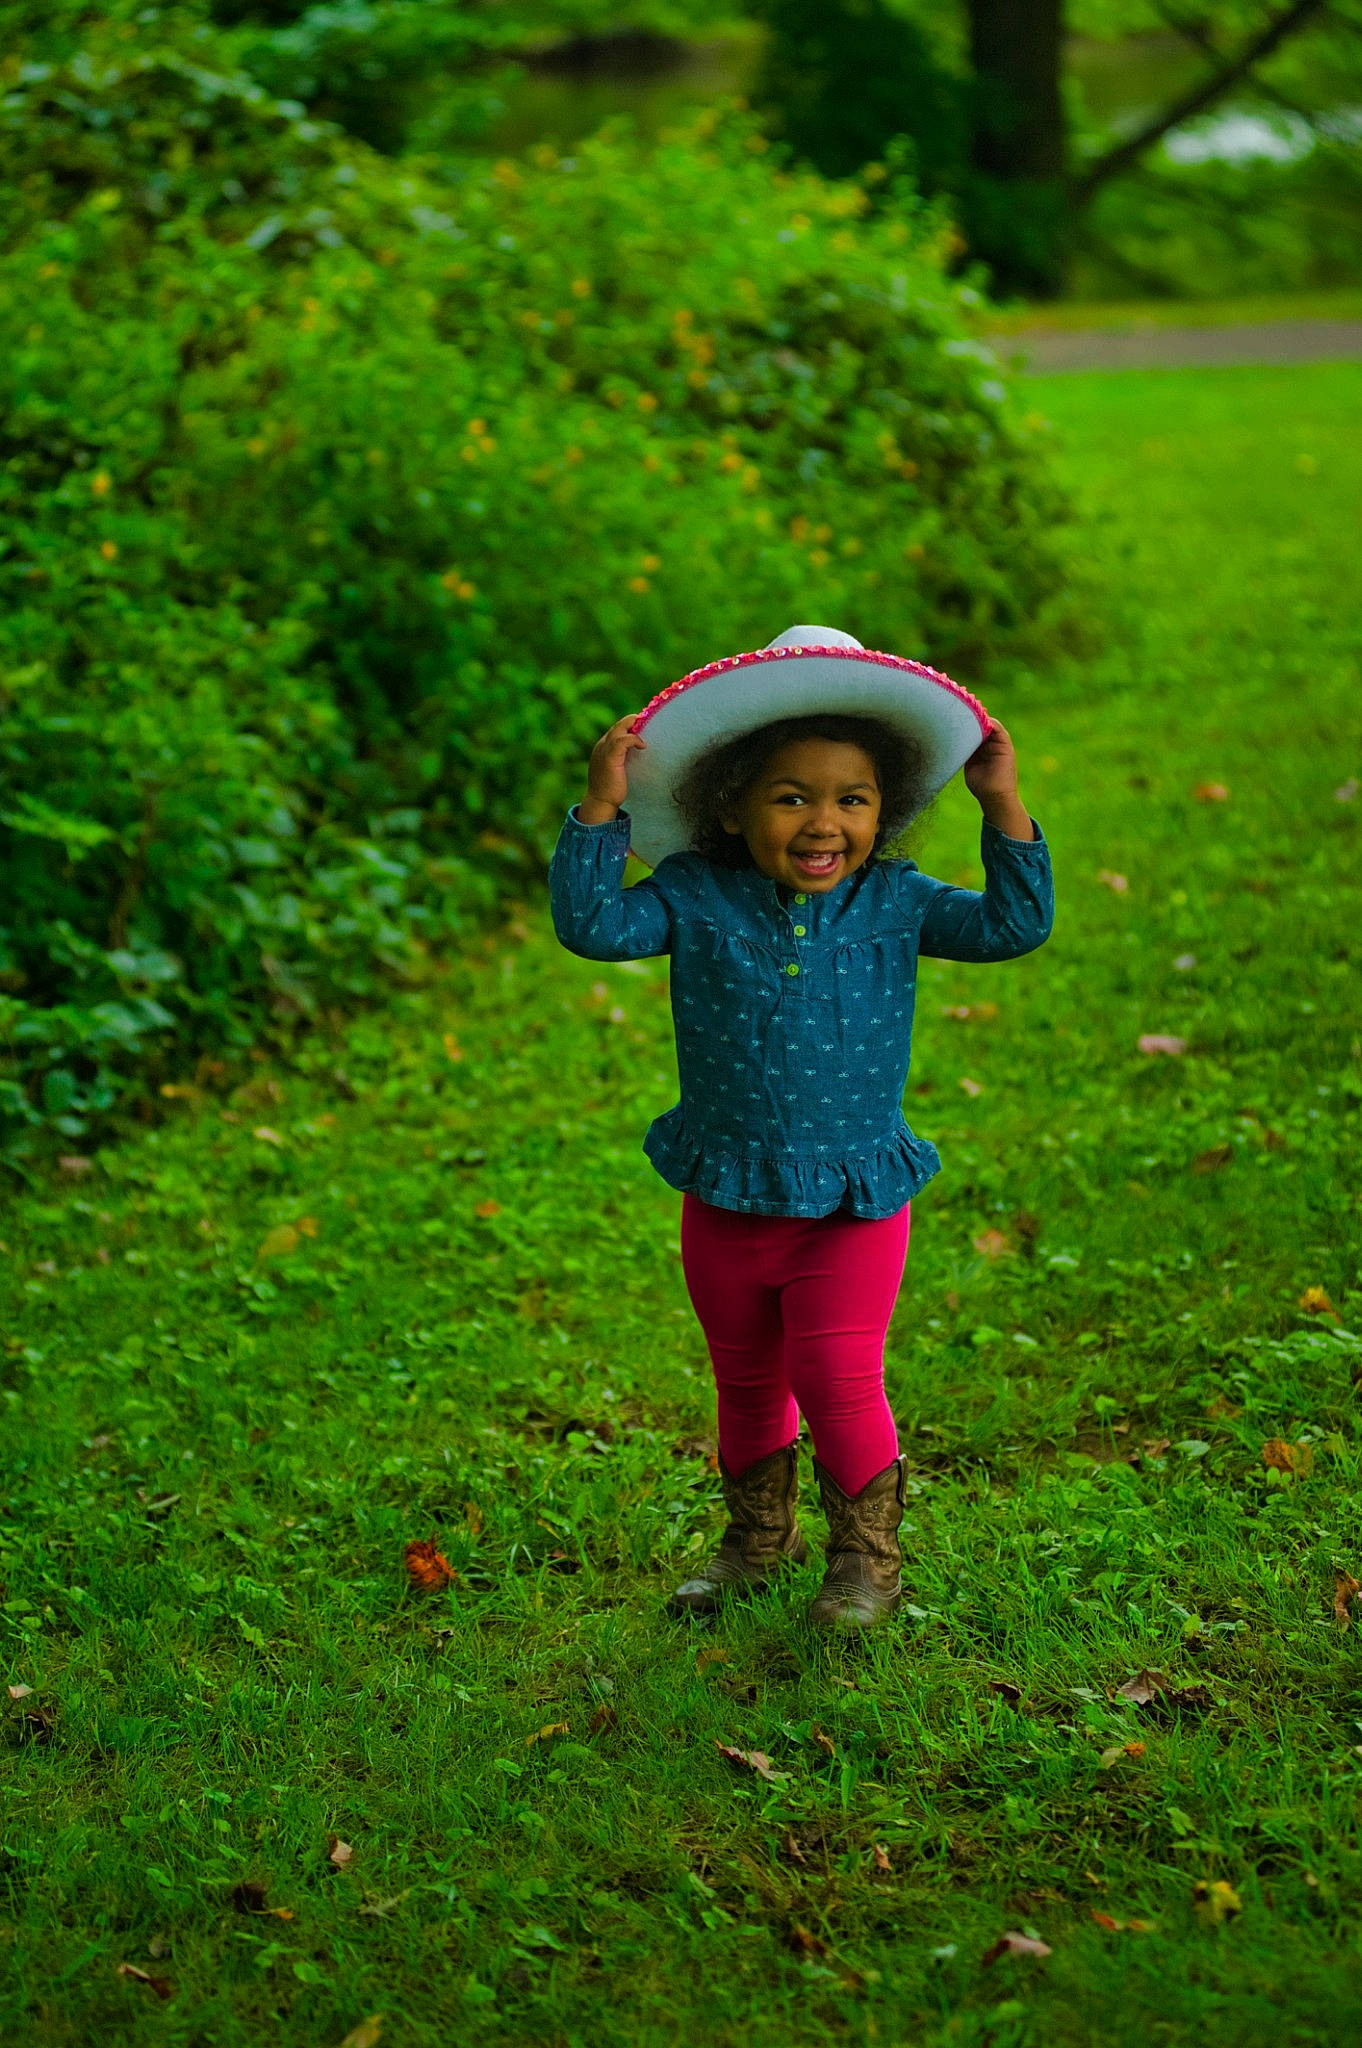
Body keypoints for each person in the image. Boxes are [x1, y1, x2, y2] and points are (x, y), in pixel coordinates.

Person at [549, 626, 1054, 1630]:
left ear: (884, 811)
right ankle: (757, 1541)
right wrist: (601, 805)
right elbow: (592, 926)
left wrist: (1000, 800)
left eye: (853, 800)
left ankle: (867, 1559)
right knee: (745, 1377)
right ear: (729, 807)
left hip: (851, 1200)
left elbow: (1014, 925)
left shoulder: (896, 901)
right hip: (727, 1194)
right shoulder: (695, 894)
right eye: (792, 797)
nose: (825, 822)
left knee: (835, 1372)